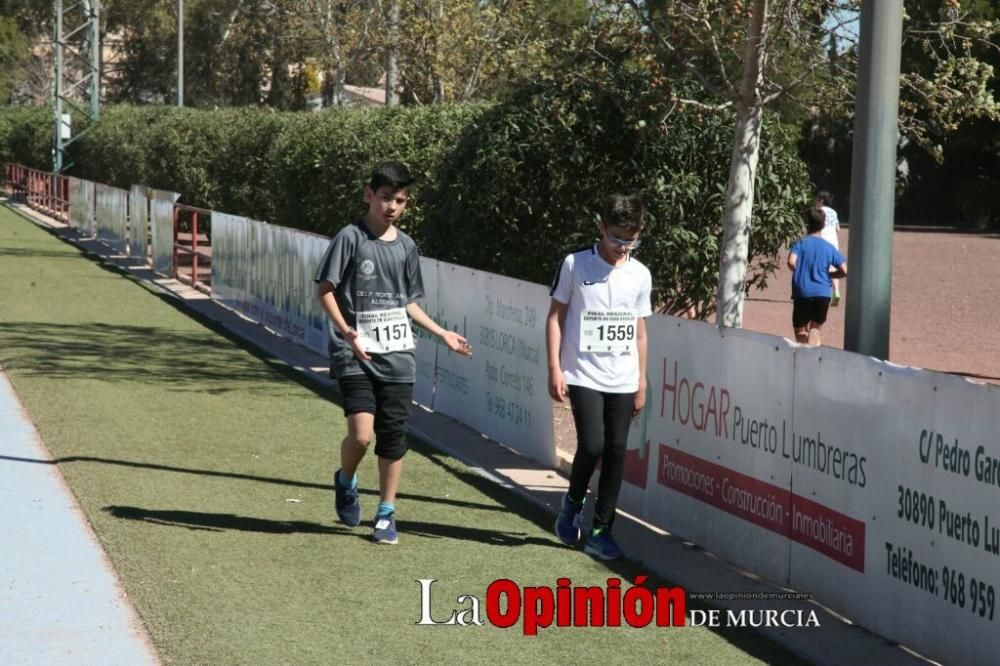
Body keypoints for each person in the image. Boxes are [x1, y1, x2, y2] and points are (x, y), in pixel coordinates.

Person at [314, 161, 472, 545]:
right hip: (356, 352)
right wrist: (348, 332)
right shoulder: (350, 237)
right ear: (369, 195)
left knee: (394, 436)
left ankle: (386, 513)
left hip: (398, 355)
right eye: (386, 198)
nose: (392, 207)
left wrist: (441, 333)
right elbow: (325, 288)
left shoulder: (407, 247)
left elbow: (408, 303)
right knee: (362, 435)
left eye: (400, 201)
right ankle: (346, 479)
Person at [547, 193, 652, 561]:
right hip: (582, 374)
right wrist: (555, 368)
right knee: (592, 445)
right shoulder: (575, 264)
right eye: (616, 238)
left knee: (617, 451)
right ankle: (573, 502)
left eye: (631, 239)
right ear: (601, 228)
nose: (622, 247)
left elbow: (640, 332)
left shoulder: (640, 275)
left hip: (623, 378)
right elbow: (555, 316)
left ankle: (600, 530)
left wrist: (641, 381)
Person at [788, 207, 848, 347]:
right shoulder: (829, 247)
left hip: (803, 291)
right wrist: (831, 274)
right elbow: (844, 270)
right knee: (816, 328)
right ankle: (814, 339)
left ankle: (806, 341)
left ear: (806, 224)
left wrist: (801, 270)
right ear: (823, 225)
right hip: (823, 293)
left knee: (800, 331)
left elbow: (791, 261)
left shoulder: (800, 243)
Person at [814, 191, 842, 305]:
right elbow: (838, 229)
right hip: (833, 243)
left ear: (821, 201)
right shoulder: (834, 212)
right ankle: (836, 292)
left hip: (822, 242)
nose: (814, 202)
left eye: (816, 200)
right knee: (833, 269)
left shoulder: (818, 212)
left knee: (818, 267)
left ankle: (820, 293)